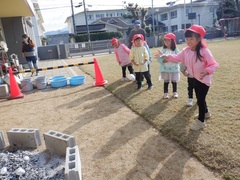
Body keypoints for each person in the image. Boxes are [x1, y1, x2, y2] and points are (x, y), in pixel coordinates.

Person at [161, 25, 219, 130]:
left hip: (204, 80)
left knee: (200, 100)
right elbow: (177, 57)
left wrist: (207, 71)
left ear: (199, 38)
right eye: (187, 39)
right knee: (200, 97)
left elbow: (213, 64)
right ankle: (206, 113)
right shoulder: (186, 51)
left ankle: (201, 121)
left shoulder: (204, 51)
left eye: (191, 39)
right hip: (195, 78)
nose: (188, 41)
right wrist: (167, 57)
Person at [156, 33, 180, 99]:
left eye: (168, 40)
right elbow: (159, 58)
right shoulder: (163, 49)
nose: (166, 42)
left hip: (174, 69)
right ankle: (165, 93)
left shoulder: (175, 50)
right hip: (165, 69)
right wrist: (163, 61)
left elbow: (179, 58)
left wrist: (171, 59)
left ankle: (175, 92)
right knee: (166, 81)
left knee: (174, 81)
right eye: (165, 40)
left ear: (172, 41)